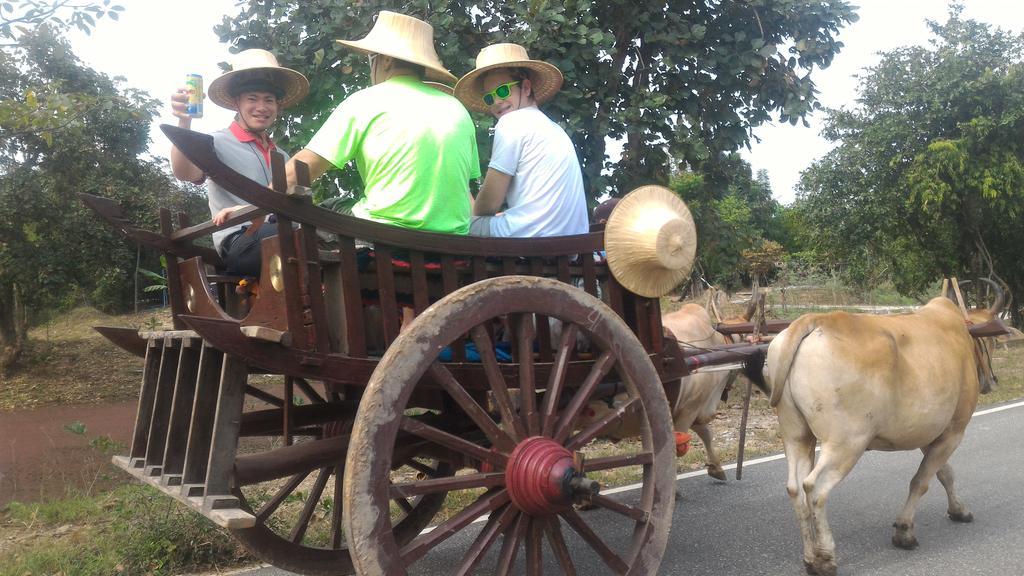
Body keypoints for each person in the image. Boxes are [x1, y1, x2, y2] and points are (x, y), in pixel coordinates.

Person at [285, 11, 479, 235]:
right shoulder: (457, 109)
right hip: (452, 246)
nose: (370, 65)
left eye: (371, 57)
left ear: (385, 59)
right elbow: (462, 188)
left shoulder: (365, 101)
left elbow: (303, 168)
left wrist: (255, 205)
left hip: (384, 239)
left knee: (330, 207)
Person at [169, 49, 308, 277]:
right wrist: (183, 122)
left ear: (278, 106)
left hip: (285, 235)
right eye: (252, 98)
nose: (261, 107)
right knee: (295, 236)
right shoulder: (216, 142)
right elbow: (184, 172)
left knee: (314, 234)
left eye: (269, 100)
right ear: (237, 103)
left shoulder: (282, 156)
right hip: (241, 241)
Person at [453, 43, 589, 238]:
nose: (497, 102)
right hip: (569, 248)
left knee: (456, 225)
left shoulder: (511, 123)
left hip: (530, 244)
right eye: (490, 98)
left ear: (525, 87)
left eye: (502, 91)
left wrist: (463, 190)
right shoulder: (555, 129)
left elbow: (488, 205)